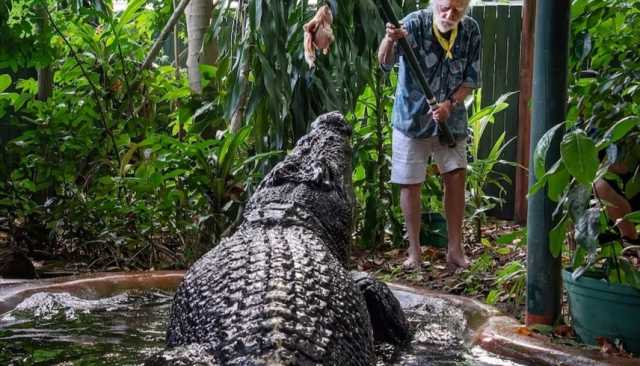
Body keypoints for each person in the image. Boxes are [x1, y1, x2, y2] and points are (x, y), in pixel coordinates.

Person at [377, 0, 481, 270]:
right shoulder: (412, 24)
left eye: (457, 9)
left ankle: (455, 251)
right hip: (412, 118)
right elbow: (384, 63)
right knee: (410, 181)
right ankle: (414, 253)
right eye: (445, 7)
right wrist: (390, 39)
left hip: (451, 119)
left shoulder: (470, 31)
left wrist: (450, 104)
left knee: (456, 175)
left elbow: (470, 79)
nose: (449, 14)